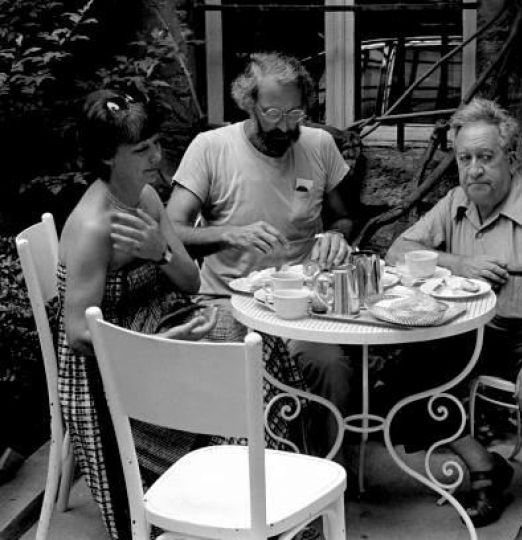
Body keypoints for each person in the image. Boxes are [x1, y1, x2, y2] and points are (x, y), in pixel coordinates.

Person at [386, 98, 522, 540]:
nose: (474, 169)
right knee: (404, 369)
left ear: (510, 158)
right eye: (465, 159)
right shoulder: (456, 200)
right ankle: (484, 465)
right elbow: (398, 252)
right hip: (485, 331)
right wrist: (459, 262)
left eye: (486, 157)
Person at [166, 52, 356, 457]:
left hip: (301, 306)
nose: (286, 125)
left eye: (295, 112)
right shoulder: (211, 148)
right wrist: (230, 234)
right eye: (272, 112)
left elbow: (343, 217)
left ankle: (327, 476)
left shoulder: (319, 145)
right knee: (245, 373)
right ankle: (250, 476)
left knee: (330, 367)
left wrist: (338, 237)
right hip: (226, 302)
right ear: (248, 104)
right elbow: (172, 233)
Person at [58, 89, 220, 540]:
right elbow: (76, 336)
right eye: (140, 149)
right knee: (228, 386)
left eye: (155, 143)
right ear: (109, 157)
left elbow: (191, 283)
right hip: (107, 373)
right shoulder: (95, 225)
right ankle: (208, 510)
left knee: (256, 350)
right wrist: (160, 347)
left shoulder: (146, 197)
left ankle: (255, 505)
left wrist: (162, 252)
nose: (156, 155)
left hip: (160, 328)